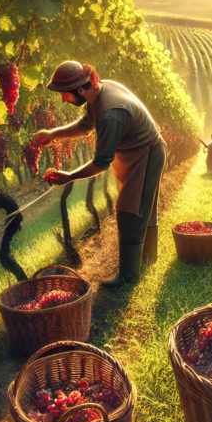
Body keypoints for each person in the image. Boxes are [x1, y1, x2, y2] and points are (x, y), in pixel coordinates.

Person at [33, 61, 165, 289]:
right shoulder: (98, 93)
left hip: (147, 154)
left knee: (130, 211)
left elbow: (101, 163)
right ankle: (148, 258)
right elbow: (85, 126)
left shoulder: (112, 114)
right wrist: (53, 134)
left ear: (80, 90)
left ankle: (129, 276)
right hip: (138, 152)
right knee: (143, 206)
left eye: (64, 94)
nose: (62, 99)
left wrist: (69, 176)